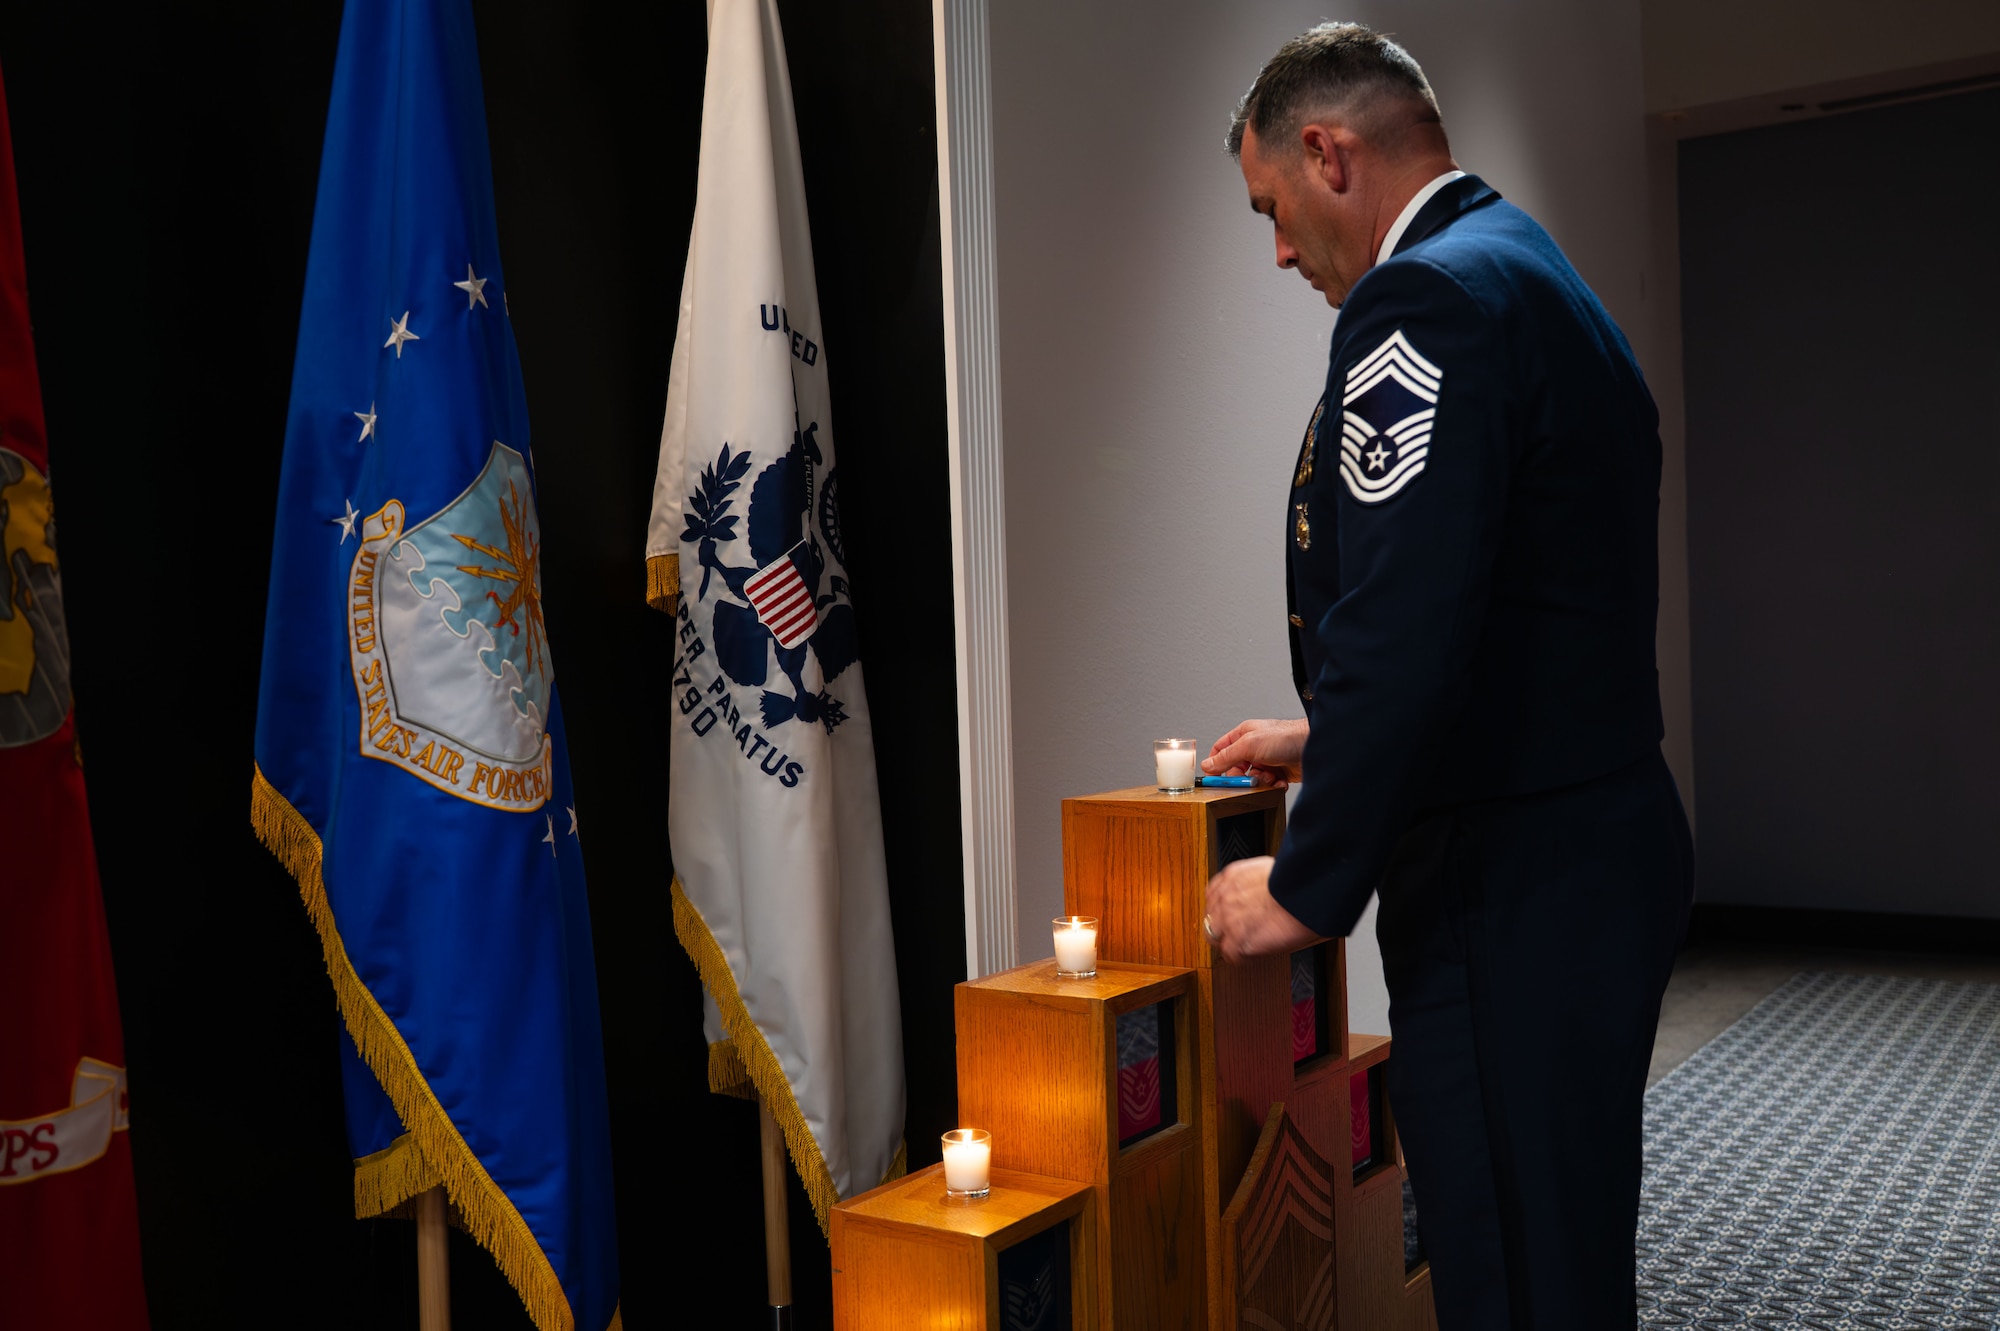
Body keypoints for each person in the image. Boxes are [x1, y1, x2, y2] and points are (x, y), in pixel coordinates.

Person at [1199, 23, 1693, 1330]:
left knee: (1513, 1272)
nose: (1284, 251)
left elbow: (1404, 624)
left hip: (1509, 885)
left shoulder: (1421, 303)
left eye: (1274, 210)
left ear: (1327, 151)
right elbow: (1511, 598)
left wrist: (1302, 889)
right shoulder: (1536, 274)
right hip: (1590, 849)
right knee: (1567, 1248)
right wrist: (1327, 735)